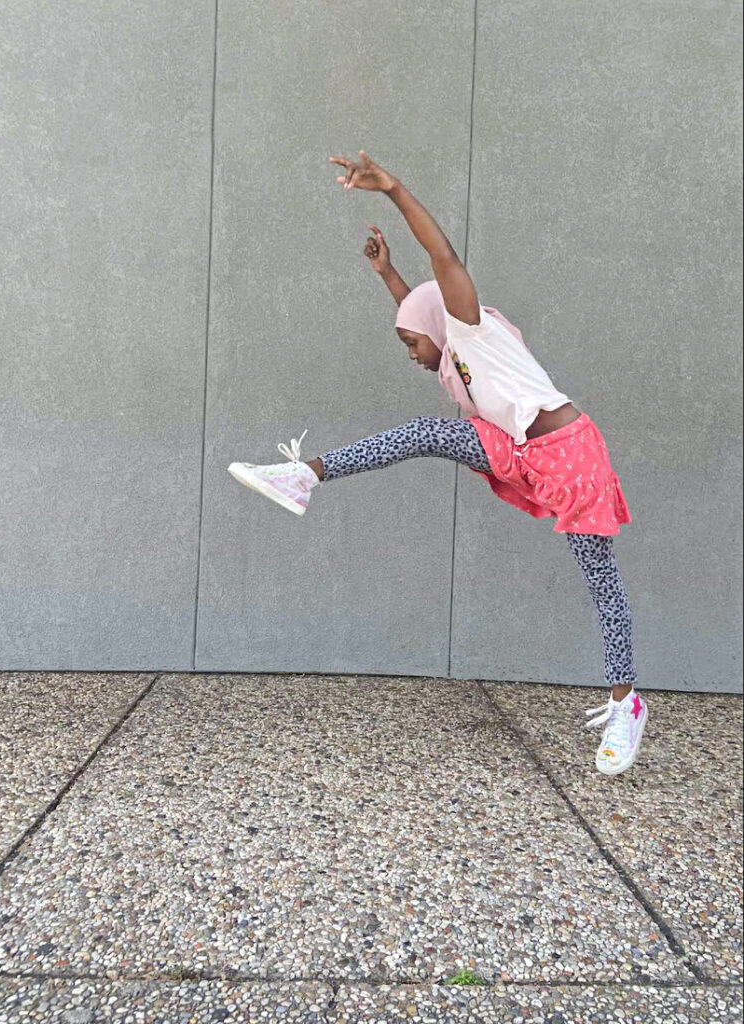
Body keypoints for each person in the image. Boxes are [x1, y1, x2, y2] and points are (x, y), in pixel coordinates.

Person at [228, 150, 648, 776]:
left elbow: (443, 265)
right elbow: (418, 314)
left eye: (409, 343)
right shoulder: (455, 355)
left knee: (599, 576)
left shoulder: (471, 328)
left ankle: (626, 703)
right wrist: (387, 276)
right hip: (520, 449)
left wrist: (393, 189)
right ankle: (305, 475)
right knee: (429, 431)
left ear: (441, 326)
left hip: (570, 456)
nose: (410, 354)